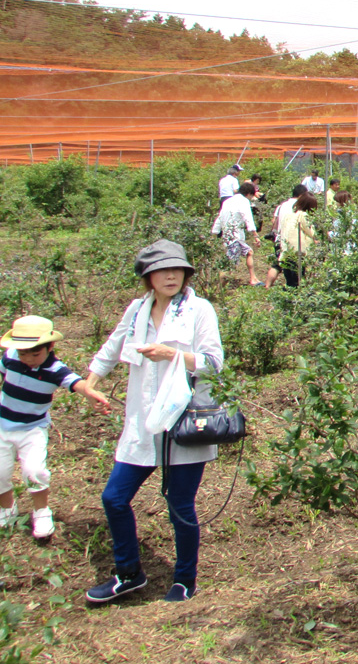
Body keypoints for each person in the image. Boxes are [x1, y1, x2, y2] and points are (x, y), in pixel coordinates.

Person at [84, 240, 224, 604]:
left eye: (177, 269)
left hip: (183, 423)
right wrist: (90, 385)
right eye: (162, 270)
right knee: (114, 498)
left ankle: (184, 579)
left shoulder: (198, 309)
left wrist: (172, 354)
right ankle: (128, 573)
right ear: (147, 277)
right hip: (142, 422)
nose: (171, 275)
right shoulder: (136, 311)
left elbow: (214, 362)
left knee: (180, 504)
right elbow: (111, 349)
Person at [0, 316, 110, 538]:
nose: (28, 359)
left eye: (35, 354)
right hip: (3, 424)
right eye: (23, 353)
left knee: (34, 471)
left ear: (50, 347)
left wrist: (90, 393)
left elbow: (75, 382)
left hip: (32, 428)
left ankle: (41, 512)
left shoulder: (54, 368)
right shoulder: (10, 356)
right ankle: (7, 508)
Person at [212, 181, 262, 285]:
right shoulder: (243, 201)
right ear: (248, 194)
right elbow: (248, 218)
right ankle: (219, 287)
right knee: (230, 264)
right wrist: (255, 235)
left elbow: (219, 218)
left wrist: (214, 233)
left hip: (227, 235)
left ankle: (253, 279)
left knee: (249, 252)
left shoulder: (227, 201)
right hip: (235, 236)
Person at [265, 184, 308, 289]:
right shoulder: (299, 207)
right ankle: (294, 290)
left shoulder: (282, 205)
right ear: (301, 195)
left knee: (278, 264)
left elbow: (274, 220)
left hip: (280, 239)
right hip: (293, 242)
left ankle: (267, 286)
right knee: (295, 269)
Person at [280, 193, 319, 287]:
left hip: (286, 251)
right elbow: (312, 233)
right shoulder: (304, 216)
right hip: (298, 253)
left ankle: (287, 300)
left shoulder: (288, 215)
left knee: (290, 282)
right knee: (298, 282)